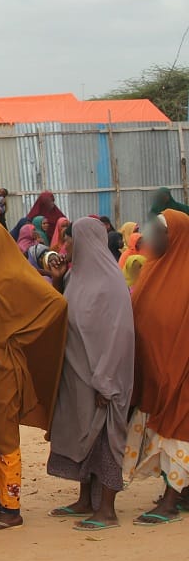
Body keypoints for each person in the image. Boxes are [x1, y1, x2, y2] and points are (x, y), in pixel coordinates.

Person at [0, 218, 67, 531]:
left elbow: (55, 304)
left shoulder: (12, 274)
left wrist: (16, 337)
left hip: (3, 370)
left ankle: (12, 508)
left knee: (4, 434)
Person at [45, 218, 134, 531]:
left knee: (106, 439)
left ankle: (107, 510)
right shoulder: (75, 277)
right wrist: (58, 282)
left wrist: (106, 382)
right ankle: (85, 500)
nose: (65, 245)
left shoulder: (111, 284)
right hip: (78, 377)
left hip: (103, 379)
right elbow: (64, 316)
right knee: (83, 435)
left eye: (69, 239)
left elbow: (120, 334)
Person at [123, 210, 189, 524]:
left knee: (177, 430)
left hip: (181, 371)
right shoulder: (152, 269)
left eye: (159, 232)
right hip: (155, 370)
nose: (152, 238)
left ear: (176, 236)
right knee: (162, 430)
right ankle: (181, 493)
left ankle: (171, 501)